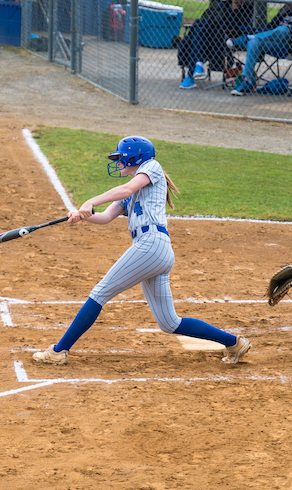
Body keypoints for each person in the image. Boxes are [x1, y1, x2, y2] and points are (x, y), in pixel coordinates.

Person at [32, 136, 252, 366]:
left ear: (135, 157)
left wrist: (90, 200)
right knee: (169, 323)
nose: (118, 162)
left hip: (151, 245)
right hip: (153, 250)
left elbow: (126, 188)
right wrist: (82, 216)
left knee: (99, 293)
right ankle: (234, 343)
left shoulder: (151, 168)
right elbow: (106, 217)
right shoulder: (132, 194)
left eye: (120, 157)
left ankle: (59, 350)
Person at [226, 0, 292, 95]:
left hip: (289, 45)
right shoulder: (287, 11)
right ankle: (246, 81)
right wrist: (282, 13)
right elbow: (270, 27)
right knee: (254, 42)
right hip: (272, 42)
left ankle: (248, 37)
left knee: (283, 30)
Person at [178, 0, 253, 89]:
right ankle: (197, 67)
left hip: (224, 37)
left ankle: (192, 74)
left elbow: (239, 27)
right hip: (207, 34)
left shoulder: (247, 10)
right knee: (200, 31)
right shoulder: (222, 5)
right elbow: (206, 18)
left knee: (199, 32)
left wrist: (234, 10)